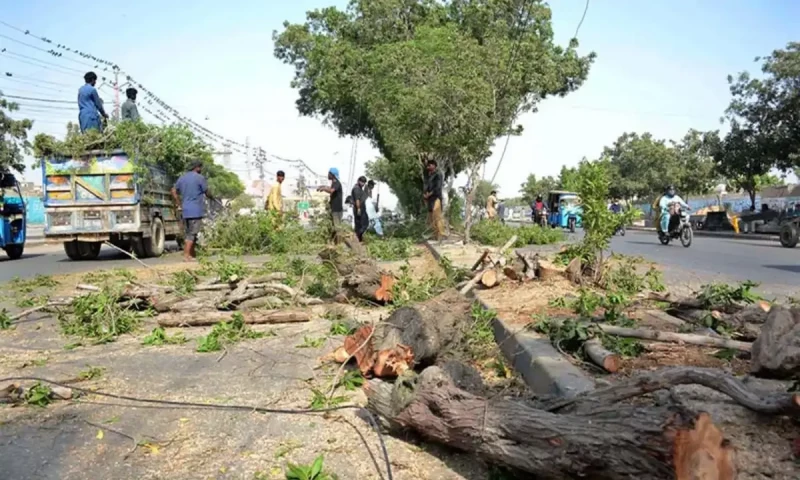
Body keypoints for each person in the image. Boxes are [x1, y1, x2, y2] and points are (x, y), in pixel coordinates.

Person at [171, 161, 214, 262]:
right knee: (192, 234)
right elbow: (206, 192)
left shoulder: (182, 178)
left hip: (185, 210)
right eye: (200, 167)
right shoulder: (200, 178)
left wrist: (178, 203)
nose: (201, 169)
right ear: (197, 168)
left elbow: (173, 191)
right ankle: (186, 256)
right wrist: (211, 196)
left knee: (189, 233)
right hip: (195, 210)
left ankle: (192, 255)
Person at [317, 168, 344, 243]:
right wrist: (323, 186)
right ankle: (334, 243)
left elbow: (331, 190)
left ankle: (339, 245)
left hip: (337, 210)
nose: (328, 175)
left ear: (332, 175)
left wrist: (324, 189)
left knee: (337, 228)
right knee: (334, 228)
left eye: (329, 173)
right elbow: (331, 188)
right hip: (334, 209)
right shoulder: (334, 183)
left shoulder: (337, 183)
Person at [423, 159, 444, 241]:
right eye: (428, 165)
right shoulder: (428, 176)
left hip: (436, 198)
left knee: (437, 216)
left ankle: (440, 234)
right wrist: (425, 194)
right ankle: (435, 235)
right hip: (429, 199)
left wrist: (430, 194)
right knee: (431, 218)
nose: (428, 167)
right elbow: (426, 187)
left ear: (434, 166)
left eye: (430, 165)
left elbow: (438, 187)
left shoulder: (438, 174)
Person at [351, 176, 370, 242]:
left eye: (364, 182)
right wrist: (359, 209)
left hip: (361, 209)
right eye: (362, 182)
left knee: (360, 225)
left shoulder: (359, 188)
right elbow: (357, 200)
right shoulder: (356, 189)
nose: (363, 184)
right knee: (364, 224)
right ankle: (356, 236)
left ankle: (359, 239)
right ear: (358, 181)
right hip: (359, 209)